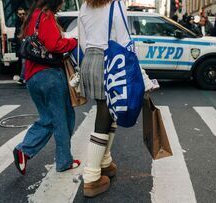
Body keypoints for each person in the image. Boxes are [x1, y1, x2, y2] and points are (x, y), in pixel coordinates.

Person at [79, 0, 157, 197]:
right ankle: (91, 177)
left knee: (109, 112)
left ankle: (105, 162)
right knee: (105, 115)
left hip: (89, 59)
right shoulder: (115, 4)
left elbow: (81, 40)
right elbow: (124, 42)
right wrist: (143, 77)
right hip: (110, 59)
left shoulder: (85, 6)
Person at [13, 0, 80, 175]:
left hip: (32, 76)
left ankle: (24, 151)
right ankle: (64, 161)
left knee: (48, 119)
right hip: (50, 75)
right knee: (63, 119)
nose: (63, 4)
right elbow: (54, 45)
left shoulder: (33, 16)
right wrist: (73, 42)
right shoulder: (46, 16)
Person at [13, 7, 26, 85]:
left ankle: (22, 78)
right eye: (20, 14)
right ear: (17, 15)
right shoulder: (17, 23)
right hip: (21, 45)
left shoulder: (28, 21)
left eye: (23, 14)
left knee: (25, 62)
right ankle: (22, 78)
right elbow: (16, 35)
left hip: (28, 44)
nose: (22, 15)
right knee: (23, 61)